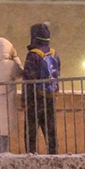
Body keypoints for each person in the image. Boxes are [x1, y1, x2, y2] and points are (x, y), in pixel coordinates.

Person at [23, 22, 61, 154]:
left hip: (35, 98)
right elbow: (57, 74)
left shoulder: (33, 54)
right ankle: (54, 156)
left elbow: (28, 79)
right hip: (50, 97)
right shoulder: (54, 53)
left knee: (31, 131)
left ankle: (31, 155)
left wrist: (25, 99)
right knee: (50, 130)